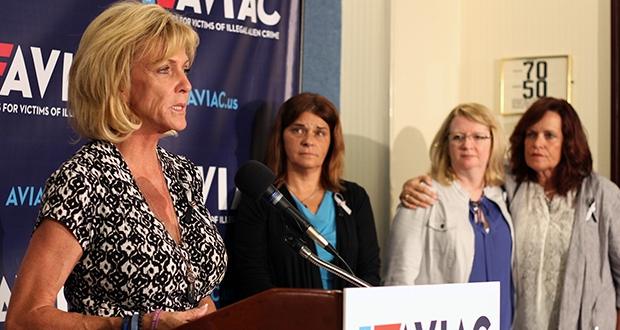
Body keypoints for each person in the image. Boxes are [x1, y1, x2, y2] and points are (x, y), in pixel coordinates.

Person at [5, 2, 227, 329]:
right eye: (165, 69)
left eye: (185, 69)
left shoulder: (185, 175)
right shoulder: (85, 180)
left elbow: (196, 295)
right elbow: (24, 318)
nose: (186, 84)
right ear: (118, 81)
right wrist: (133, 325)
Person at [399, 97, 620, 329]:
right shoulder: (510, 184)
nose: (537, 143)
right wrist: (416, 185)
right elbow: (471, 170)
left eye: (549, 135)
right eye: (531, 134)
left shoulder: (602, 194)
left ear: (569, 142)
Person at [233, 93, 381, 299]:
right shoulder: (261, 198)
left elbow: (370, 271)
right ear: (281, 136)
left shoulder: (355, 197)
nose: (308, 141)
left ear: (332, 141)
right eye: (298, 130)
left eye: (320, 133)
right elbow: (252, 274)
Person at [382, 103, 514, 330]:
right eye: (458, 137)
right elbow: (397, 281)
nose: (468, 145)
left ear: (494, 142)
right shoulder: (423, 196)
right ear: (446, 144)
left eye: (478, 137)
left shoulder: (503, 196)